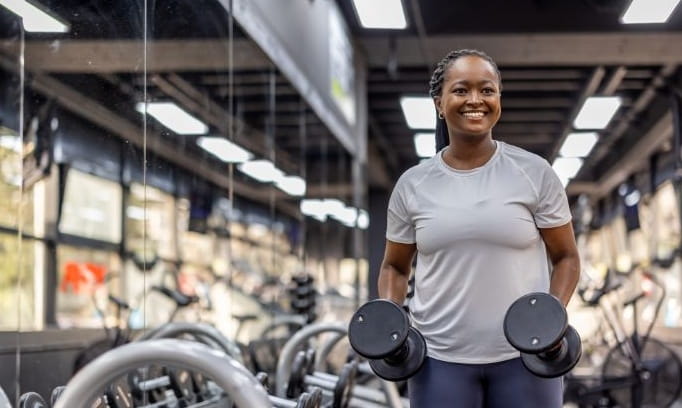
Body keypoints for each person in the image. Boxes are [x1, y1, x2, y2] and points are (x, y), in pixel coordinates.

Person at [379, 49, 581, 407]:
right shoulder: (413, 185)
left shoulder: (534, 173)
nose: (475, 100)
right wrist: (389, 320)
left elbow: (566, 257)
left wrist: (552, 318)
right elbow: (395, 266)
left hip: (525, 358)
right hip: (438, 359)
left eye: (487, 90)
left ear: (499, 98)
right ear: (439, 103)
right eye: (461, 90)